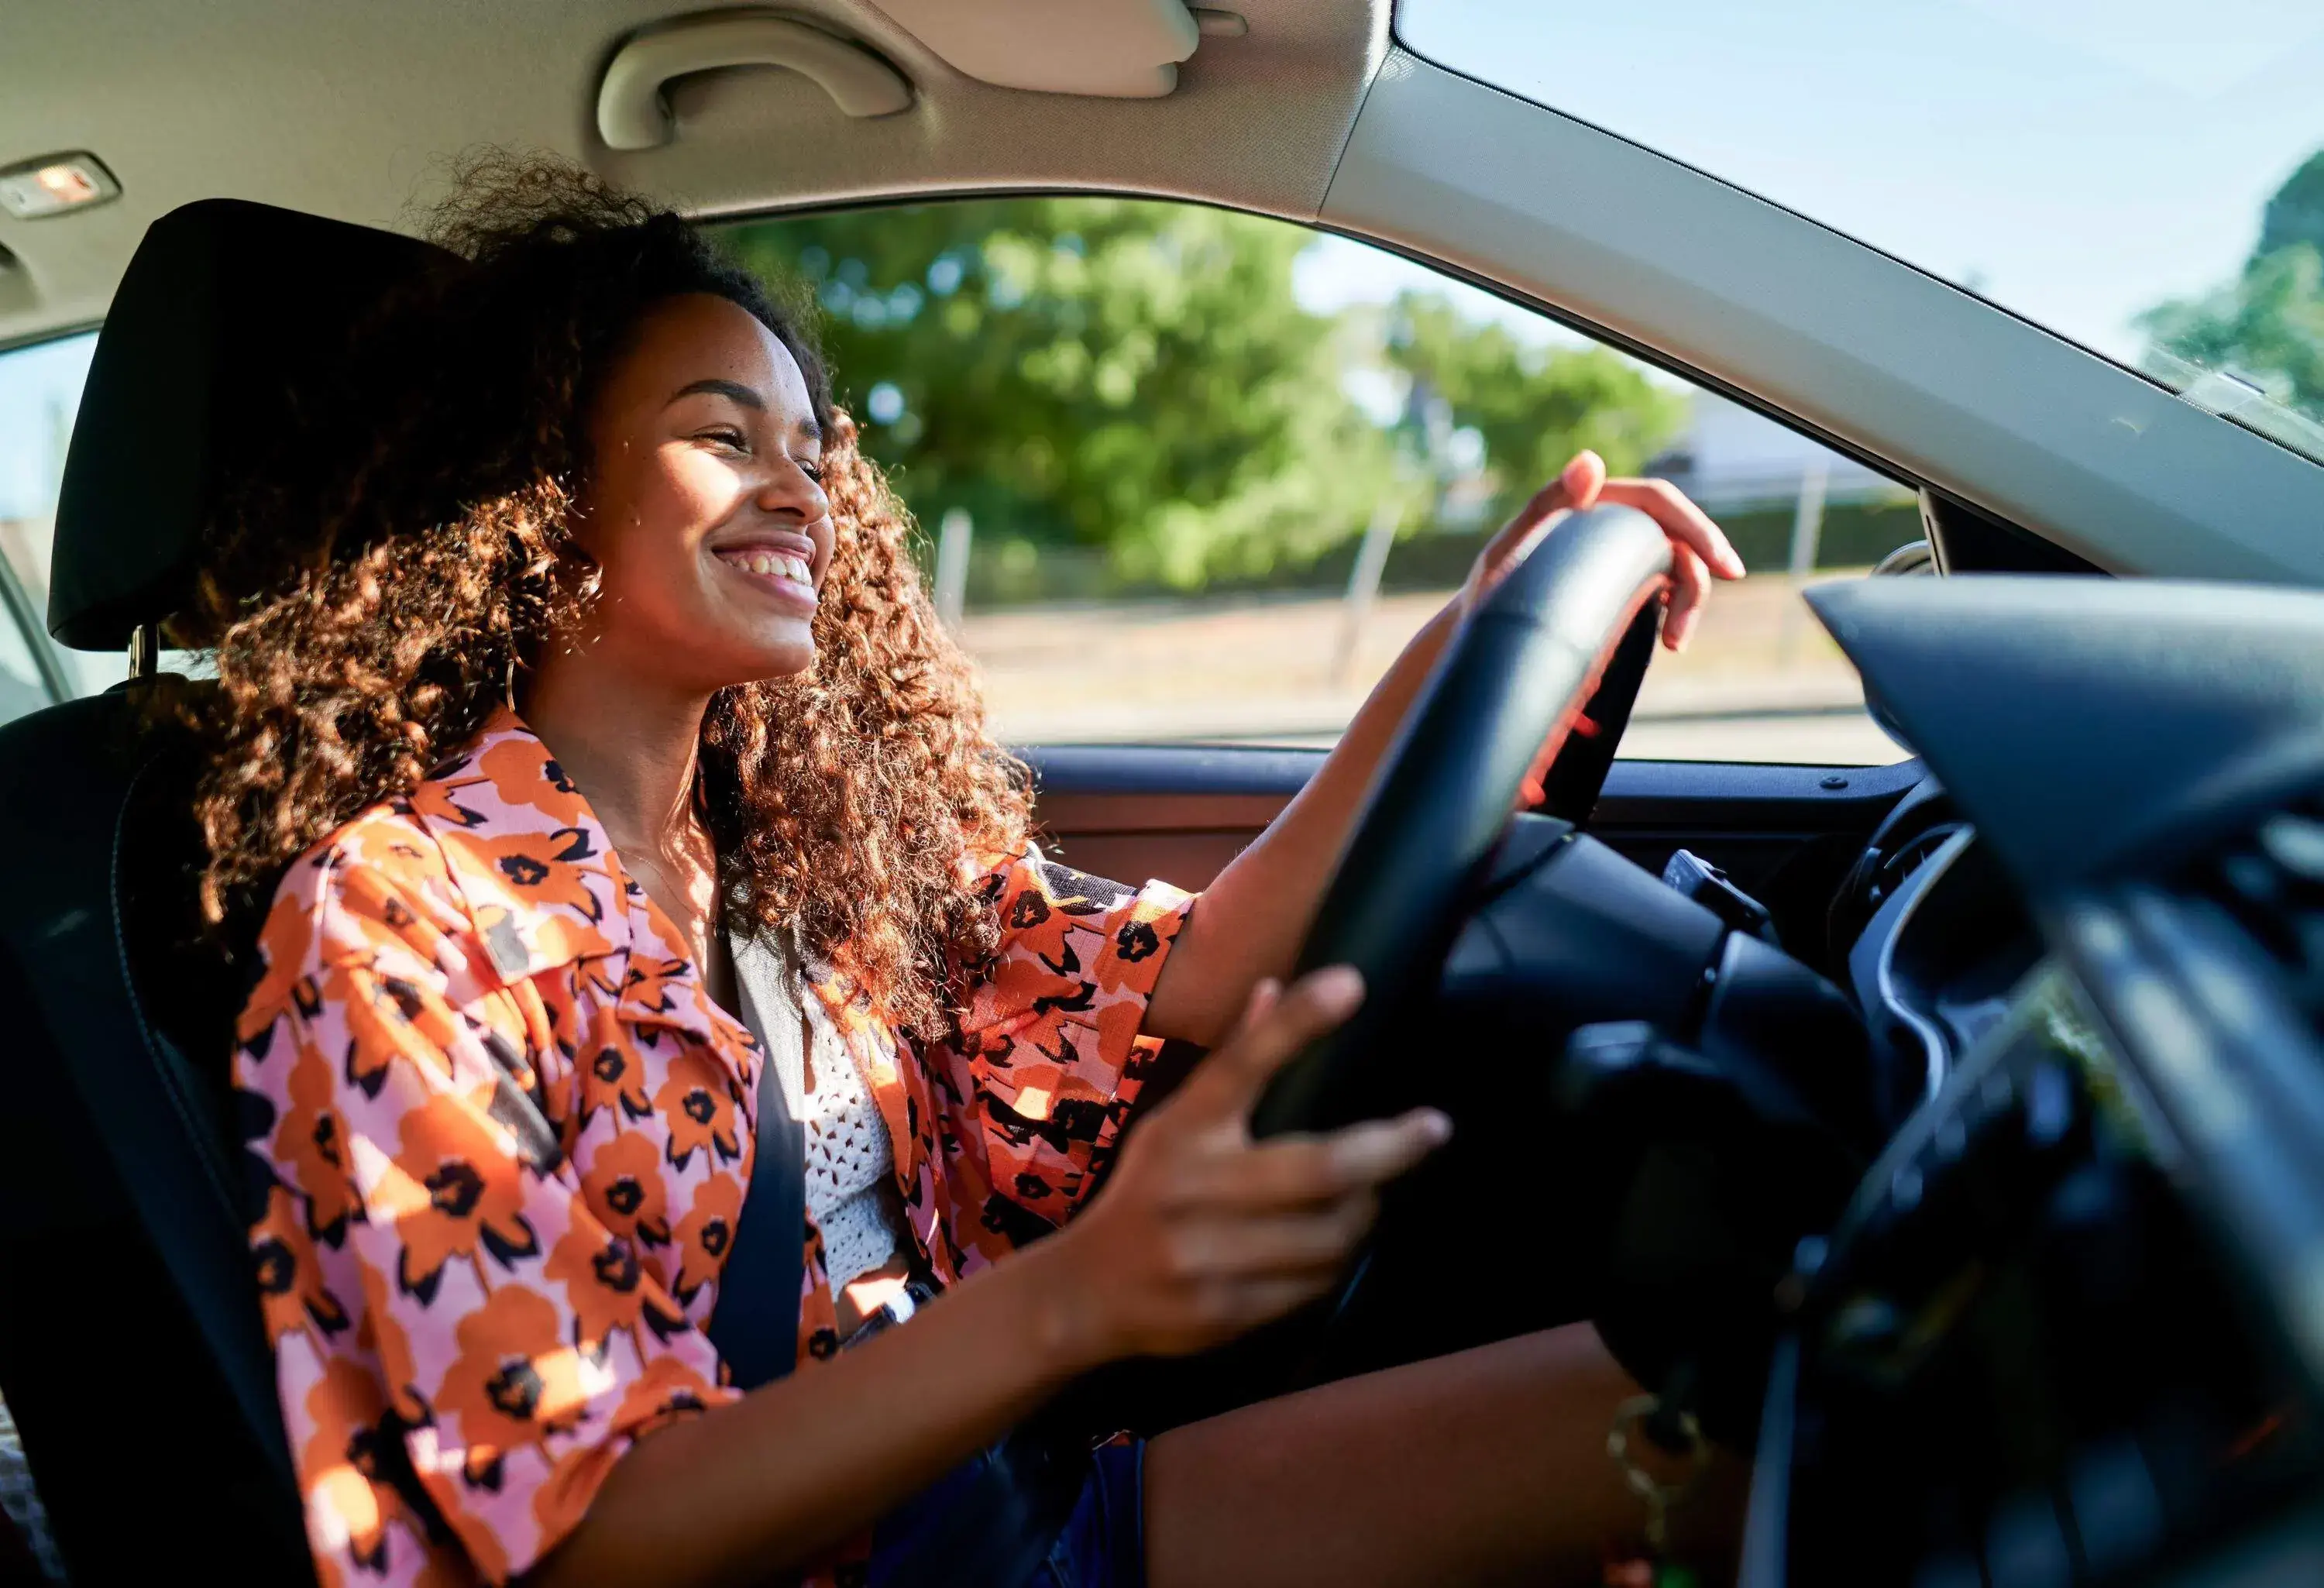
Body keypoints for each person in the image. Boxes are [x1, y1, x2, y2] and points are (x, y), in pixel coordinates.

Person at [206, 156, 1747, 1588]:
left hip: (1006, 1498)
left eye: (811, 451)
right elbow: (578, 1537)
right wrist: (1081, 1295)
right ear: (544, 490)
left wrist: (1477, 629)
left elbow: (1202, 964)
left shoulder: (801, 850)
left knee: (1747, 1408)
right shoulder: (396, 914)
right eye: (722, 436)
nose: (801, 492)